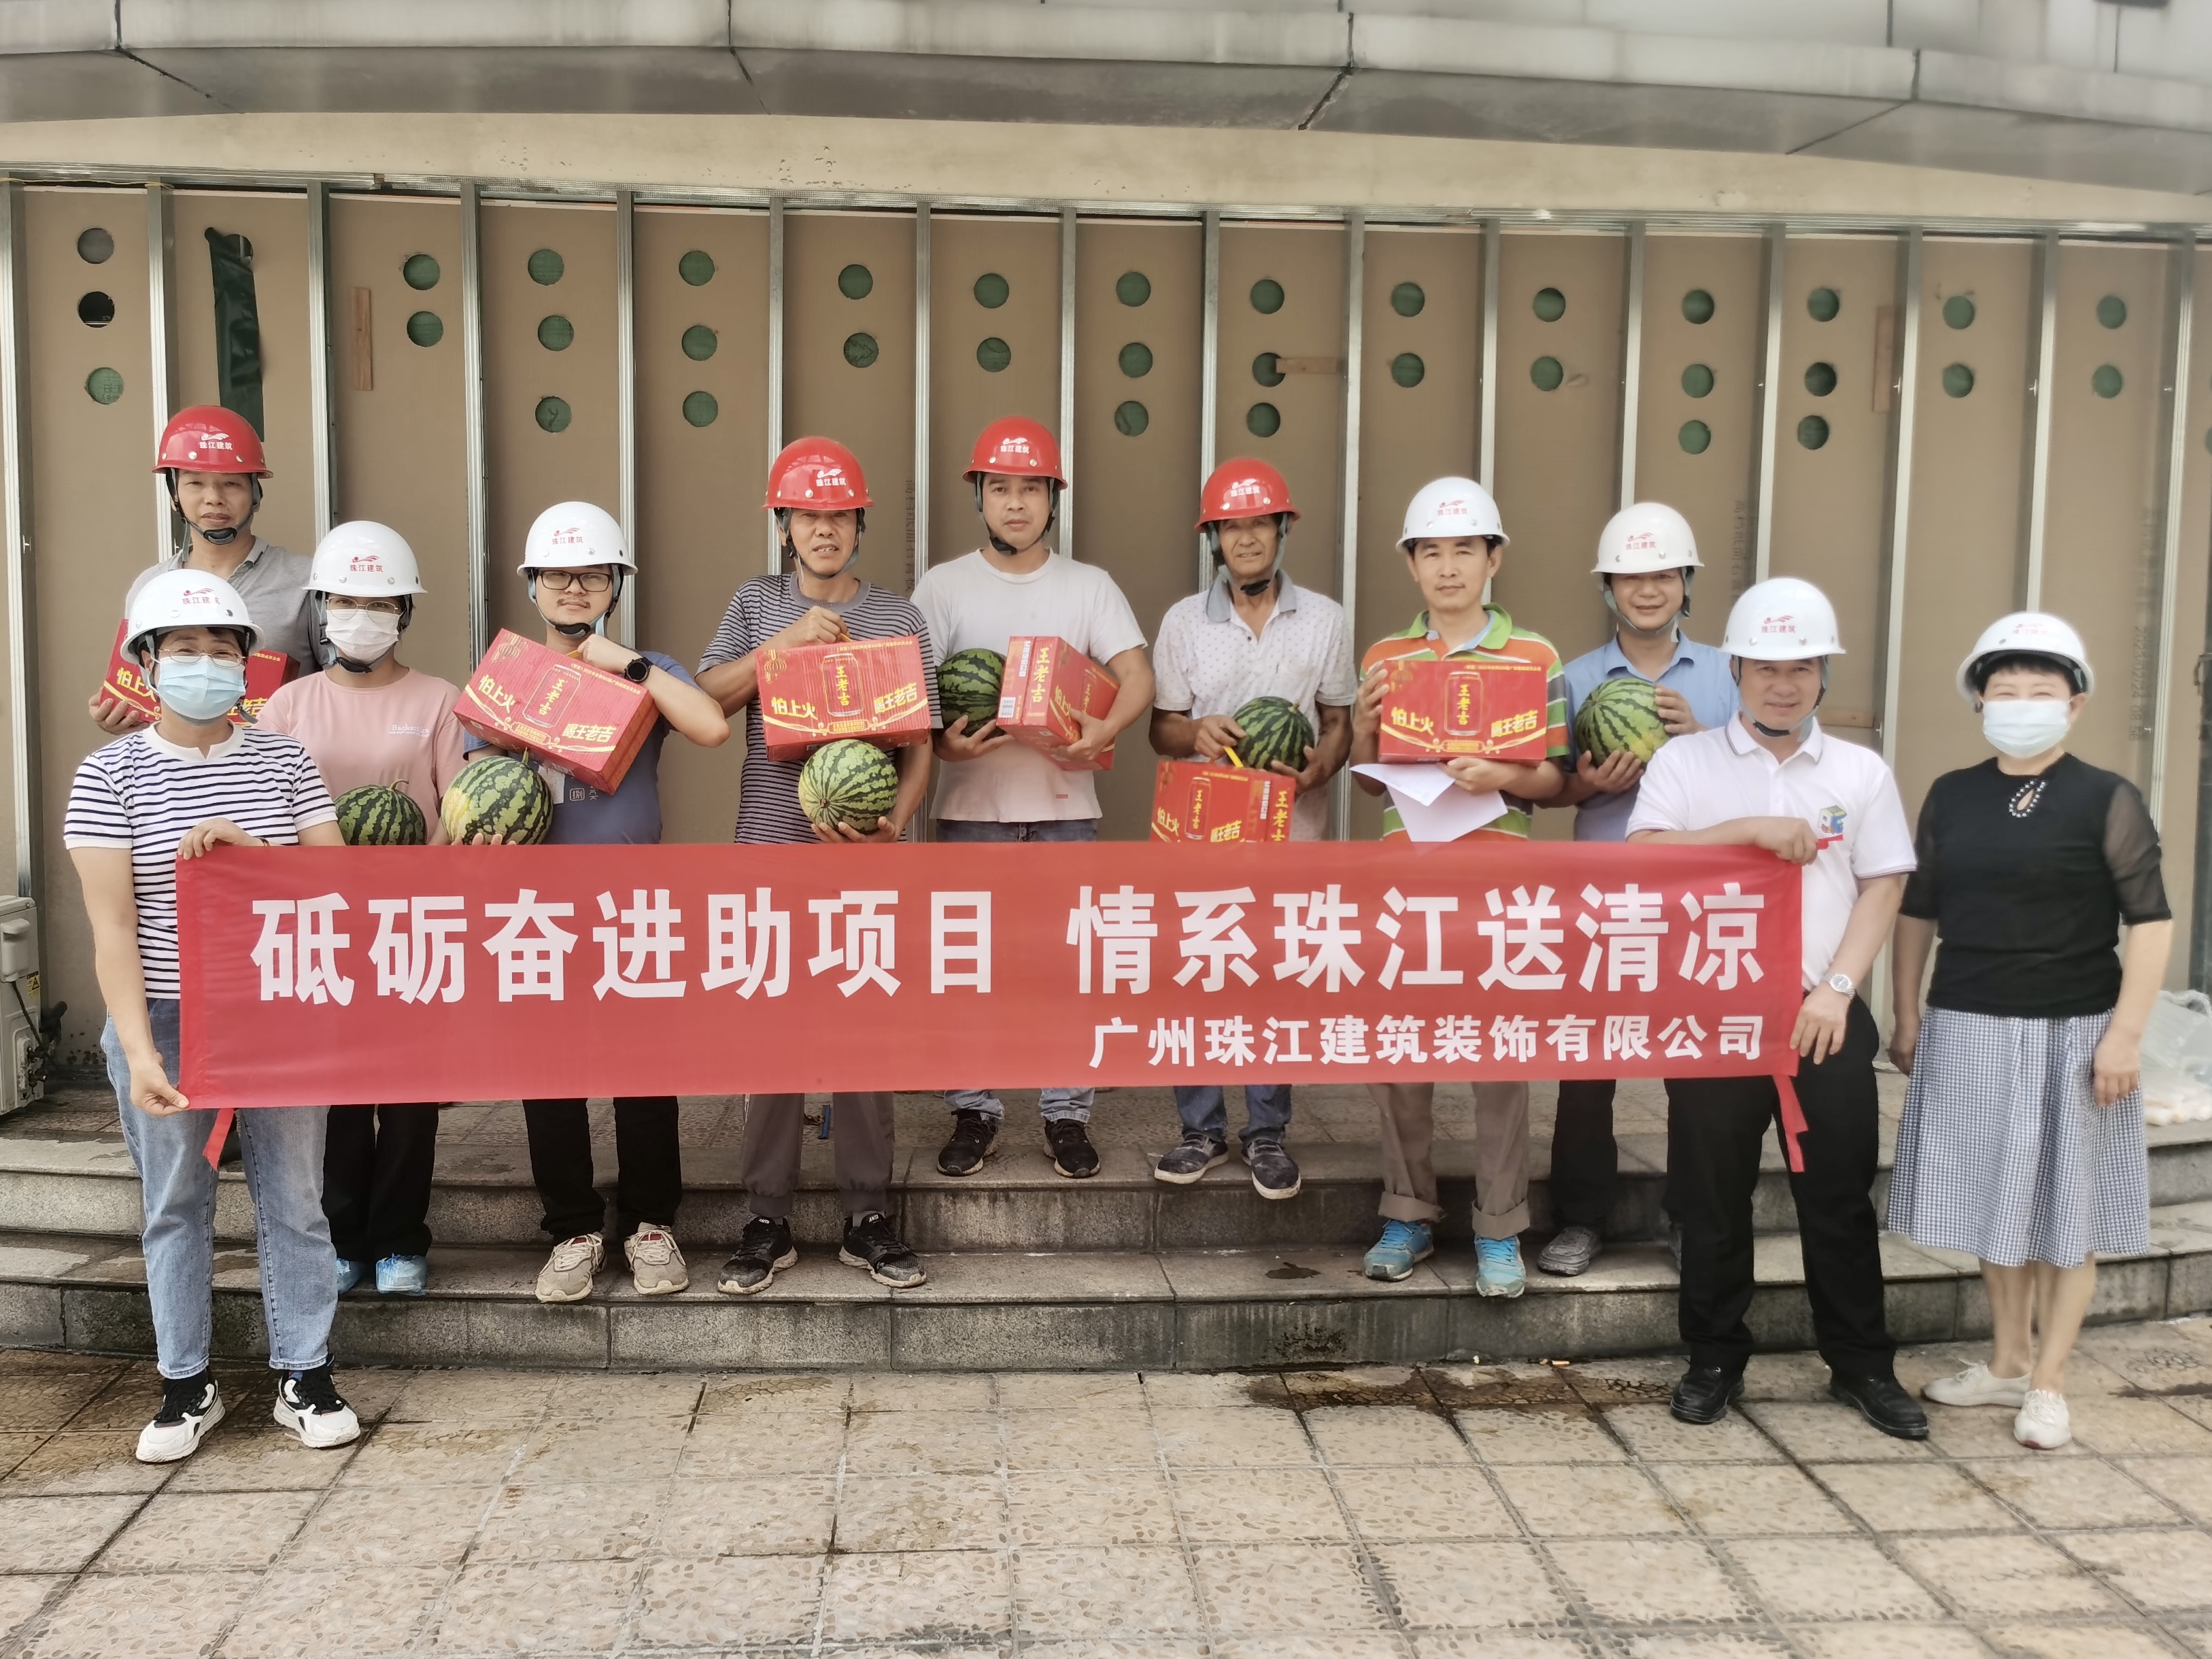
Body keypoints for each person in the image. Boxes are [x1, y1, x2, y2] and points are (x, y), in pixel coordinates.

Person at [65, 569, 360, 1463]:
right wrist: (140, 1050)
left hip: (279, 1009)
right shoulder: (107, 775)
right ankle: (185, 1385)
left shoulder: (284, 760)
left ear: (246, 665)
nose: (205, 663)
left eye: (222, 649)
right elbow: (114, 927)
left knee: (296, 1199)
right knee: (173, 1203)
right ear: (147, 663)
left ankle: (306, 1373)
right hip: (163, 1014)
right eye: (184, 649)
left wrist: (254, 851)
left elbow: (336, 887)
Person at [1628, 575, 1925, 1439]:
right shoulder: (1684, 763)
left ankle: (1862, 1365)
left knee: (1837, 1196)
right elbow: (1643, 858)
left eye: (1801, 668)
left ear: (1824, 673)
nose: (1783, 685)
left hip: (1821, 1013)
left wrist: (1838, 988)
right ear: (1736, 670)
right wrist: (1748, 829)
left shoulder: (1858, 771)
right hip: (1712, 1014)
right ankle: (1714, 1357)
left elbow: (1883, 884)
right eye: (1765, 667)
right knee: (1710, 1194)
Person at [1890, 613, 2171, 1451]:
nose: (2020, 703)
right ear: (1979, 700)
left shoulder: (2106, 797)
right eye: (2004, 689)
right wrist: (1906, 1011)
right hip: (1968, 1019)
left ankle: (2049, 1382)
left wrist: (2125, 1036)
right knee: (1993, 1199)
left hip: (2073, 1027)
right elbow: (1917, 910)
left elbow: (2149, 922)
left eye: (2039, 690)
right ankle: (2007, 1361)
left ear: (2074, 703)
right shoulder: (1951, 793)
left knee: (2064, 1207)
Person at [463, 502, 730, 1303]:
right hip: (537, 908)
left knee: (644, 1071)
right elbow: (473, 784)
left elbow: (711, 727)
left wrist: (628, 667)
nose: (573, 588)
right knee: (550, 1076)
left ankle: (650, 1224)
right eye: (557, 575)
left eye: (591, 575)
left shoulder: (649, 668)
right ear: (532, 586)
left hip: (631, 906)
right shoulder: (508, 673)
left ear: (616, 585)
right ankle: (573, 1229)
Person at [696, 438, 933, 1293]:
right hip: (769, 849)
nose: (823, 528)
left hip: (864, 858)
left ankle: (868, 1213)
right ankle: (768, 1215)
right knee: (773, 1038)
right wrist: (785, 646)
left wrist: (894, 827)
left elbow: (919, 745)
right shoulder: (755, 603)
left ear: (859, 524)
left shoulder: (899, 617)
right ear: (784, 526)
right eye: (807, 515)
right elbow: (708, 699)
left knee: (864, 1033)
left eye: (838, 515)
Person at [910, 415, 1154, 1182]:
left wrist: (1106, 728)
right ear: (979, 497)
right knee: (967, 968)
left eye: (1031, 489)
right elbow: (914, 695)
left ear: (1053, 498)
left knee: (1067, 968)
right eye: (1000, 488)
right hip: (967, 812)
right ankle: (973, 1108)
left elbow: (1138, 675)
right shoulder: (943, 586)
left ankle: (1066, 1114)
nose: (1015, 503)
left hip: (1065, 808)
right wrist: (944, 745)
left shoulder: (1089, 586)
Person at [1348, 477, 1567, 1295]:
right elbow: (1368, 782)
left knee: (1499, 1057)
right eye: (1431, 552)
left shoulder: (1535, 656)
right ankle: (1407, 1213)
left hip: (1499, 886)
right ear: (1411, 565)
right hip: (1407, 883)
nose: (1447, 567)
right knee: (1401, 1051)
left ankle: (1499, 1227)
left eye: (1463, 550)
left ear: (1493, 559)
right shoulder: (1385, 657)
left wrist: (1499, 775)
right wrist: (1363, 728)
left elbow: (1553, 776)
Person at [254, 521, 466, 1300]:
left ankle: (402, 1240)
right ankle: (344, 1238)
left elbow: (457, 810)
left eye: (379, 604)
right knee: (338, 1097)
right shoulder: (288, 704)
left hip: (413, 924)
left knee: (409, 1098)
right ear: (321, 608)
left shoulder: (439, 699)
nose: (361, 617)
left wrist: (414, 882)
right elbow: (268, 812)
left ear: (404, 612)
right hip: (320, 927)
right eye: (345, 601)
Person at [1540, 502, 1739, 1278]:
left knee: (1696, 1074)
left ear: (1686, 582)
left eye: (1662, 575)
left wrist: (1706, 745)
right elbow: (1547, 789)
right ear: (1608, 588)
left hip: (1700, 900)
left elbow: (1765, 782)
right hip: (1603, 897)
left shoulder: (1729, 674)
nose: (1647, 590)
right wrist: (1586, 784)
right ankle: (1579, 1219)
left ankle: (1691, 1217)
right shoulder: (1574, 678)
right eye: (1630, 577)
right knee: (1588, 1068)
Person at [1149, 458, 1353, 1199]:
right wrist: (1195, 732)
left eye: (1258, 523)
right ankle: (1198, 1130)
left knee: (1273, 982)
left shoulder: (1325, 619)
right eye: (1230, 526)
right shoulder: (1181, 622)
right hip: (1202, 833)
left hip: (1290, 834)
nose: (1245, 538)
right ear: (1213, 537)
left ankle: (1267, 1133)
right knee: (1197, 977)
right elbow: (1161, 729)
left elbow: (1338, 721)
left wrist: (1319, 768)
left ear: (1281, 528)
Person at [95, 406, 316, 737]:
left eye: (231, 484)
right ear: (174, 493)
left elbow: (339, 692)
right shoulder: (150, 587)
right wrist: (119, 717)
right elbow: (140, 693)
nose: (213, 498)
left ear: (256, 492)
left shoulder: (305, 582)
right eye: (195, 483)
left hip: (278, 765)